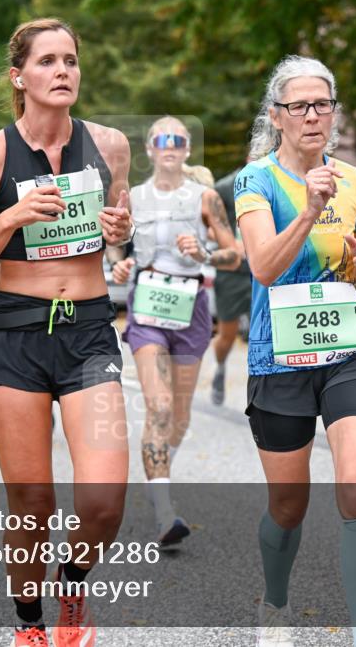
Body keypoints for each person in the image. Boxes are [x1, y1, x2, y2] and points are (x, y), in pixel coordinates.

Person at [0, 18, 132, 647]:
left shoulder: (109, 145)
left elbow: (119, 229)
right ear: (19, 76)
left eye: (71, 61)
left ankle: (72, 582)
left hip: (89, 332)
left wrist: (119, 232)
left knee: (104, 499)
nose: (62, 71)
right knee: (32, 504)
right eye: (48, 61)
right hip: (15, 335)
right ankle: (29, 627)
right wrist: (12, 218)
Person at [236, 55, 356, 647]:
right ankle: (275, 603)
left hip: (349, 348)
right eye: (298, 106)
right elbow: (264, 267)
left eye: (322, 104)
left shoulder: (355, 180)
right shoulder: (256, 181)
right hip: (280, 359)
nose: (312, 116)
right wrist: (306, 211)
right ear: (277, 117)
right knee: (288, 506)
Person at [110, 116, 241, 547]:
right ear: (149, 148)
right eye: (162, 139)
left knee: (180, 416)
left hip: (192, 309)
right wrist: (119, 264)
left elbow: (234, 255)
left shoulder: (205, 198)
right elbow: (113, 244)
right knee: (160, 406)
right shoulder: (135, 199)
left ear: (187, 149)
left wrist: (204, 250)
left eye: (178, 140)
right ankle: (165, 513)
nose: (170, 146)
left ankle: (157, 476)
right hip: (147, 307)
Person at [210, 161, 253, 406]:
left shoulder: (279, 180)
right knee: (227, 334)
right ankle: (220, 366)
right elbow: (209, 224)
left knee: (269, 331)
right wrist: (229, 243)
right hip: (233, 270)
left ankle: (264, 388)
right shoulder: (225, 187)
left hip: (265, 267)